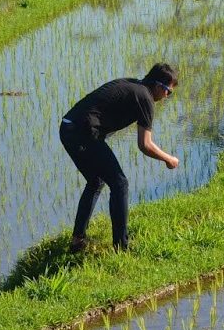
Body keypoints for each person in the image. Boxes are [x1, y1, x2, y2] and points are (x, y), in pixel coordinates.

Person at [58, 64, 180, 253]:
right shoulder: (145, 97)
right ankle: (121, 247)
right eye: (168, 92)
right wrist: (168, 159)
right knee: (119, 183)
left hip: (68, 127)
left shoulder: (135, 86)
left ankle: (77, 241)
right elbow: (145, 145)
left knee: (96, 181)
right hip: (82, 132)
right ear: (158, 86)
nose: (166, 97)